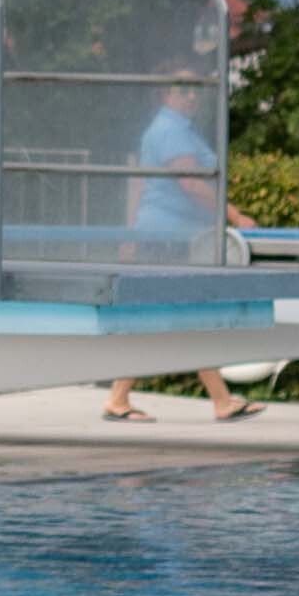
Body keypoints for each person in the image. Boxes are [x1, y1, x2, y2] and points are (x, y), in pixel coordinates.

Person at [102, 61, 255, 421]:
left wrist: (132, 233)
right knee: (184, 315)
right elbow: (191, 183)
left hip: (168, 237)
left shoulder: (174, 129)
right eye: (183, 90)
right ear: (165, 94)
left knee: (171, 317)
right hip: (167, 240)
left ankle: (122, 398)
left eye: (195, 90)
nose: (191, 97)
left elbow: (143, 185)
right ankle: (218, 401)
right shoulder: (170, 130)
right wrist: (235, 217)